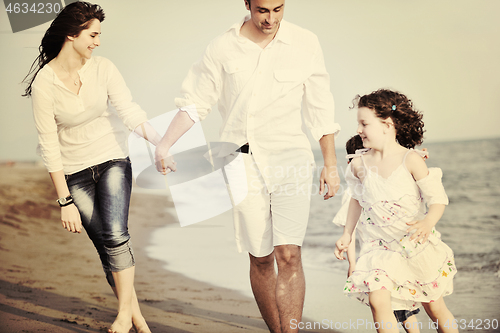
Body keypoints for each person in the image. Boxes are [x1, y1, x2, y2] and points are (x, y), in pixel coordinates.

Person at [154, 0, 340, 331]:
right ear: (247, 4)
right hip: (241, 161)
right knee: (261, 256)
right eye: (263, 10)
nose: (271, 19)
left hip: (291, 159)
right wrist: (165, 144)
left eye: (278, 9)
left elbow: (320, 107)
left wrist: (330, 164)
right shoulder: (222, 47)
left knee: (289, 254)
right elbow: (196, 103)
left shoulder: (305, 42)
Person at [23, 2, 158, 333]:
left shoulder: (103, 68)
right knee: (106, 247)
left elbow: (128, 109)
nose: (98, 42)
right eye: (93, 35)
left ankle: (125, 318)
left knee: (115, 235)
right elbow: (48, 144)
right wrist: (64, 201)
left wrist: (160, 143)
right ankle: (136, 318)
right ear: (72, 34)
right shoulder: (44, 83)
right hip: (74, 173)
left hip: (111, 157)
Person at [334, 89, 458, 333]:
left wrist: (427, 222)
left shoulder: (410, 160)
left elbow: (437, 199)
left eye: (364, 123)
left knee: (435, 307)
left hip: (413, 244)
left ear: (387, 124)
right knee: (377, 300)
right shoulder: (359, 165)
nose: (359, 130)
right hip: (378, 248)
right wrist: (347, 234)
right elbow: (356, 201)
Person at [333, 134, 423, 333]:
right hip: (383, 255)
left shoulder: (357, 189)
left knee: (393, 307)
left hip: (381, 255)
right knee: (398, 307)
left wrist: (353, 264)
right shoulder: (358, 190)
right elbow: (350, 229)